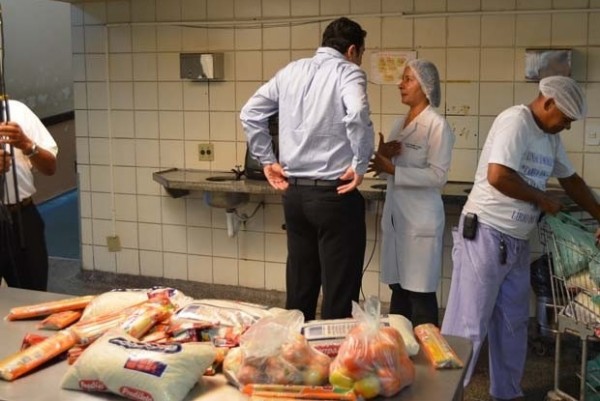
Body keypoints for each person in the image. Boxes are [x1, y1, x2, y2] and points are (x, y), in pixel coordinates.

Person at [441, 76, 600, 401]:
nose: (567, 126)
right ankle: (446, 394)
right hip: (485, 235)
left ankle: (507, 393)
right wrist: (541, 199)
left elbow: (572, 181)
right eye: (566, 119)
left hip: (516, 241)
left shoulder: (550, 138)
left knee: (512, 325)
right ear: (549, 103)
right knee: (467, 327)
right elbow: (498, 175)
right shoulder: (516, 121)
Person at [240, 17, 374, 321]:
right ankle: (332, 349)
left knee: (300, 285)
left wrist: (266, 159)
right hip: (334, 195)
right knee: (339, 291)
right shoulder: (348, 71)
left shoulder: (291, 71)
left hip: (295, 195)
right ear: (352, 50)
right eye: (361, 53)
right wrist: (359, 163)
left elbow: (250, 113)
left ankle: (295, 347)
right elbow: (357, 113)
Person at [369, 59, 455, 327]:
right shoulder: (399, 124)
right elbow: (386, 171)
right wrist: (382, 158)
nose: (400, 84)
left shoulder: (437, 126)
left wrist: (393, 170)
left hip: (420, 223)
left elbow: (438, 176)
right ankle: (400, 344)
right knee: (398, 290)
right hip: (397, 220)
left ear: (425, 87)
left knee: (420, 294)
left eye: (408, 79)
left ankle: (428, 347)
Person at [0, 99, 58, 291]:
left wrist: (26, 144)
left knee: (33, 293)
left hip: (22, 217)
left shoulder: (17, 110)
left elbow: (50, 168)